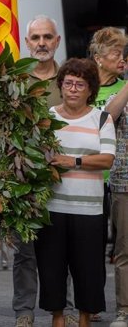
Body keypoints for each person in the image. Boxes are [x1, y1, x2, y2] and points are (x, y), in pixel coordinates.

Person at [36, 58, 115, 327]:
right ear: (60, 85)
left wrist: (74, 161)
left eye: (79, 84)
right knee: (52, 270)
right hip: (52, 208)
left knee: (89, 271)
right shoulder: (48, 118)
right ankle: (58, 319)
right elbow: (36, 156)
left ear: (90, 89)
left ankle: (84, 320)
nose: (72, 89)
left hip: (89, 210)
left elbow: (107, 159)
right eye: (68, 83)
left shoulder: (102, 118)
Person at [12, 15, 63, 327]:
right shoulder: (15, 80)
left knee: (64, 249)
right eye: (36, 38)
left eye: (48, 37)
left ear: (57, 41)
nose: (42, 43)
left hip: (66, 176)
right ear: (27, 42)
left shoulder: (70, 78)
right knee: (25, 251)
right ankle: (23, 312)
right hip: (25, 178)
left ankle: (63, 309)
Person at [105, 47, 128, 327]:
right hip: (124, 182)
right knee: (124, 250)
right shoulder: (118, 95)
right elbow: (108, 117)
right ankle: (124, 309)